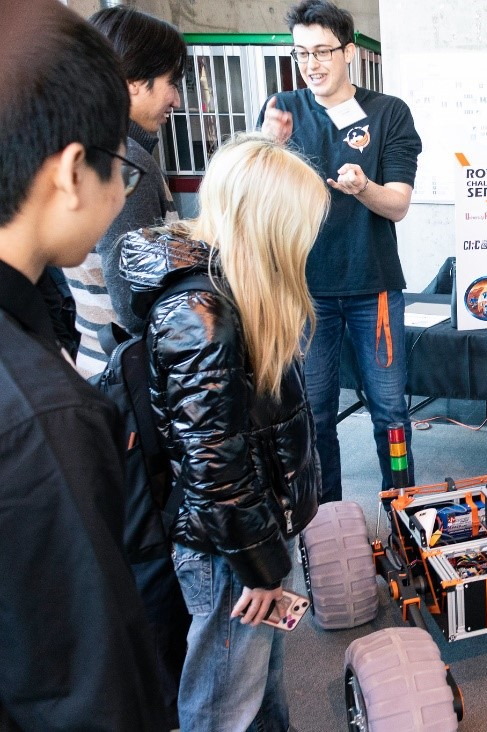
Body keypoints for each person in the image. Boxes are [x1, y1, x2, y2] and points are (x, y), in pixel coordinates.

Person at [119, 133, 326, 731]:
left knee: (257, 690)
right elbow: (213, 465)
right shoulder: (201, 314)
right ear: (268, 223)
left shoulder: (231, 292)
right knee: (221, 705)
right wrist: (260, 566)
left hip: (248, 533)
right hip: (229, 547)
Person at [0, 1, 167, 728]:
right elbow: (86, 690)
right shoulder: (45, 415)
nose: (123, 192)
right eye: (119, 167)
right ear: (73, 170)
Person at [259, 0, 422, 502]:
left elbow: (396, 206)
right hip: (304, 292)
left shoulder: (388, 112)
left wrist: (363, 187)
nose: (312, 64)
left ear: (349, 51)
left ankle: (404, 515)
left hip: (372, 286)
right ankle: (326, 520)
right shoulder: (282, 110)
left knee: (391, 411)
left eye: (323, 51)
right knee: (315, 412)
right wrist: (266, 147)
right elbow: (253, 200)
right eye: (301, 53)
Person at [63, 5, 185, 378]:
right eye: (171, 82)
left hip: (96, 360)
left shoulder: (82, 147)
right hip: (130, 374)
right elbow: (136, 302)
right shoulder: (127, 162)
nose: (176, 100)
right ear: (133, 81)